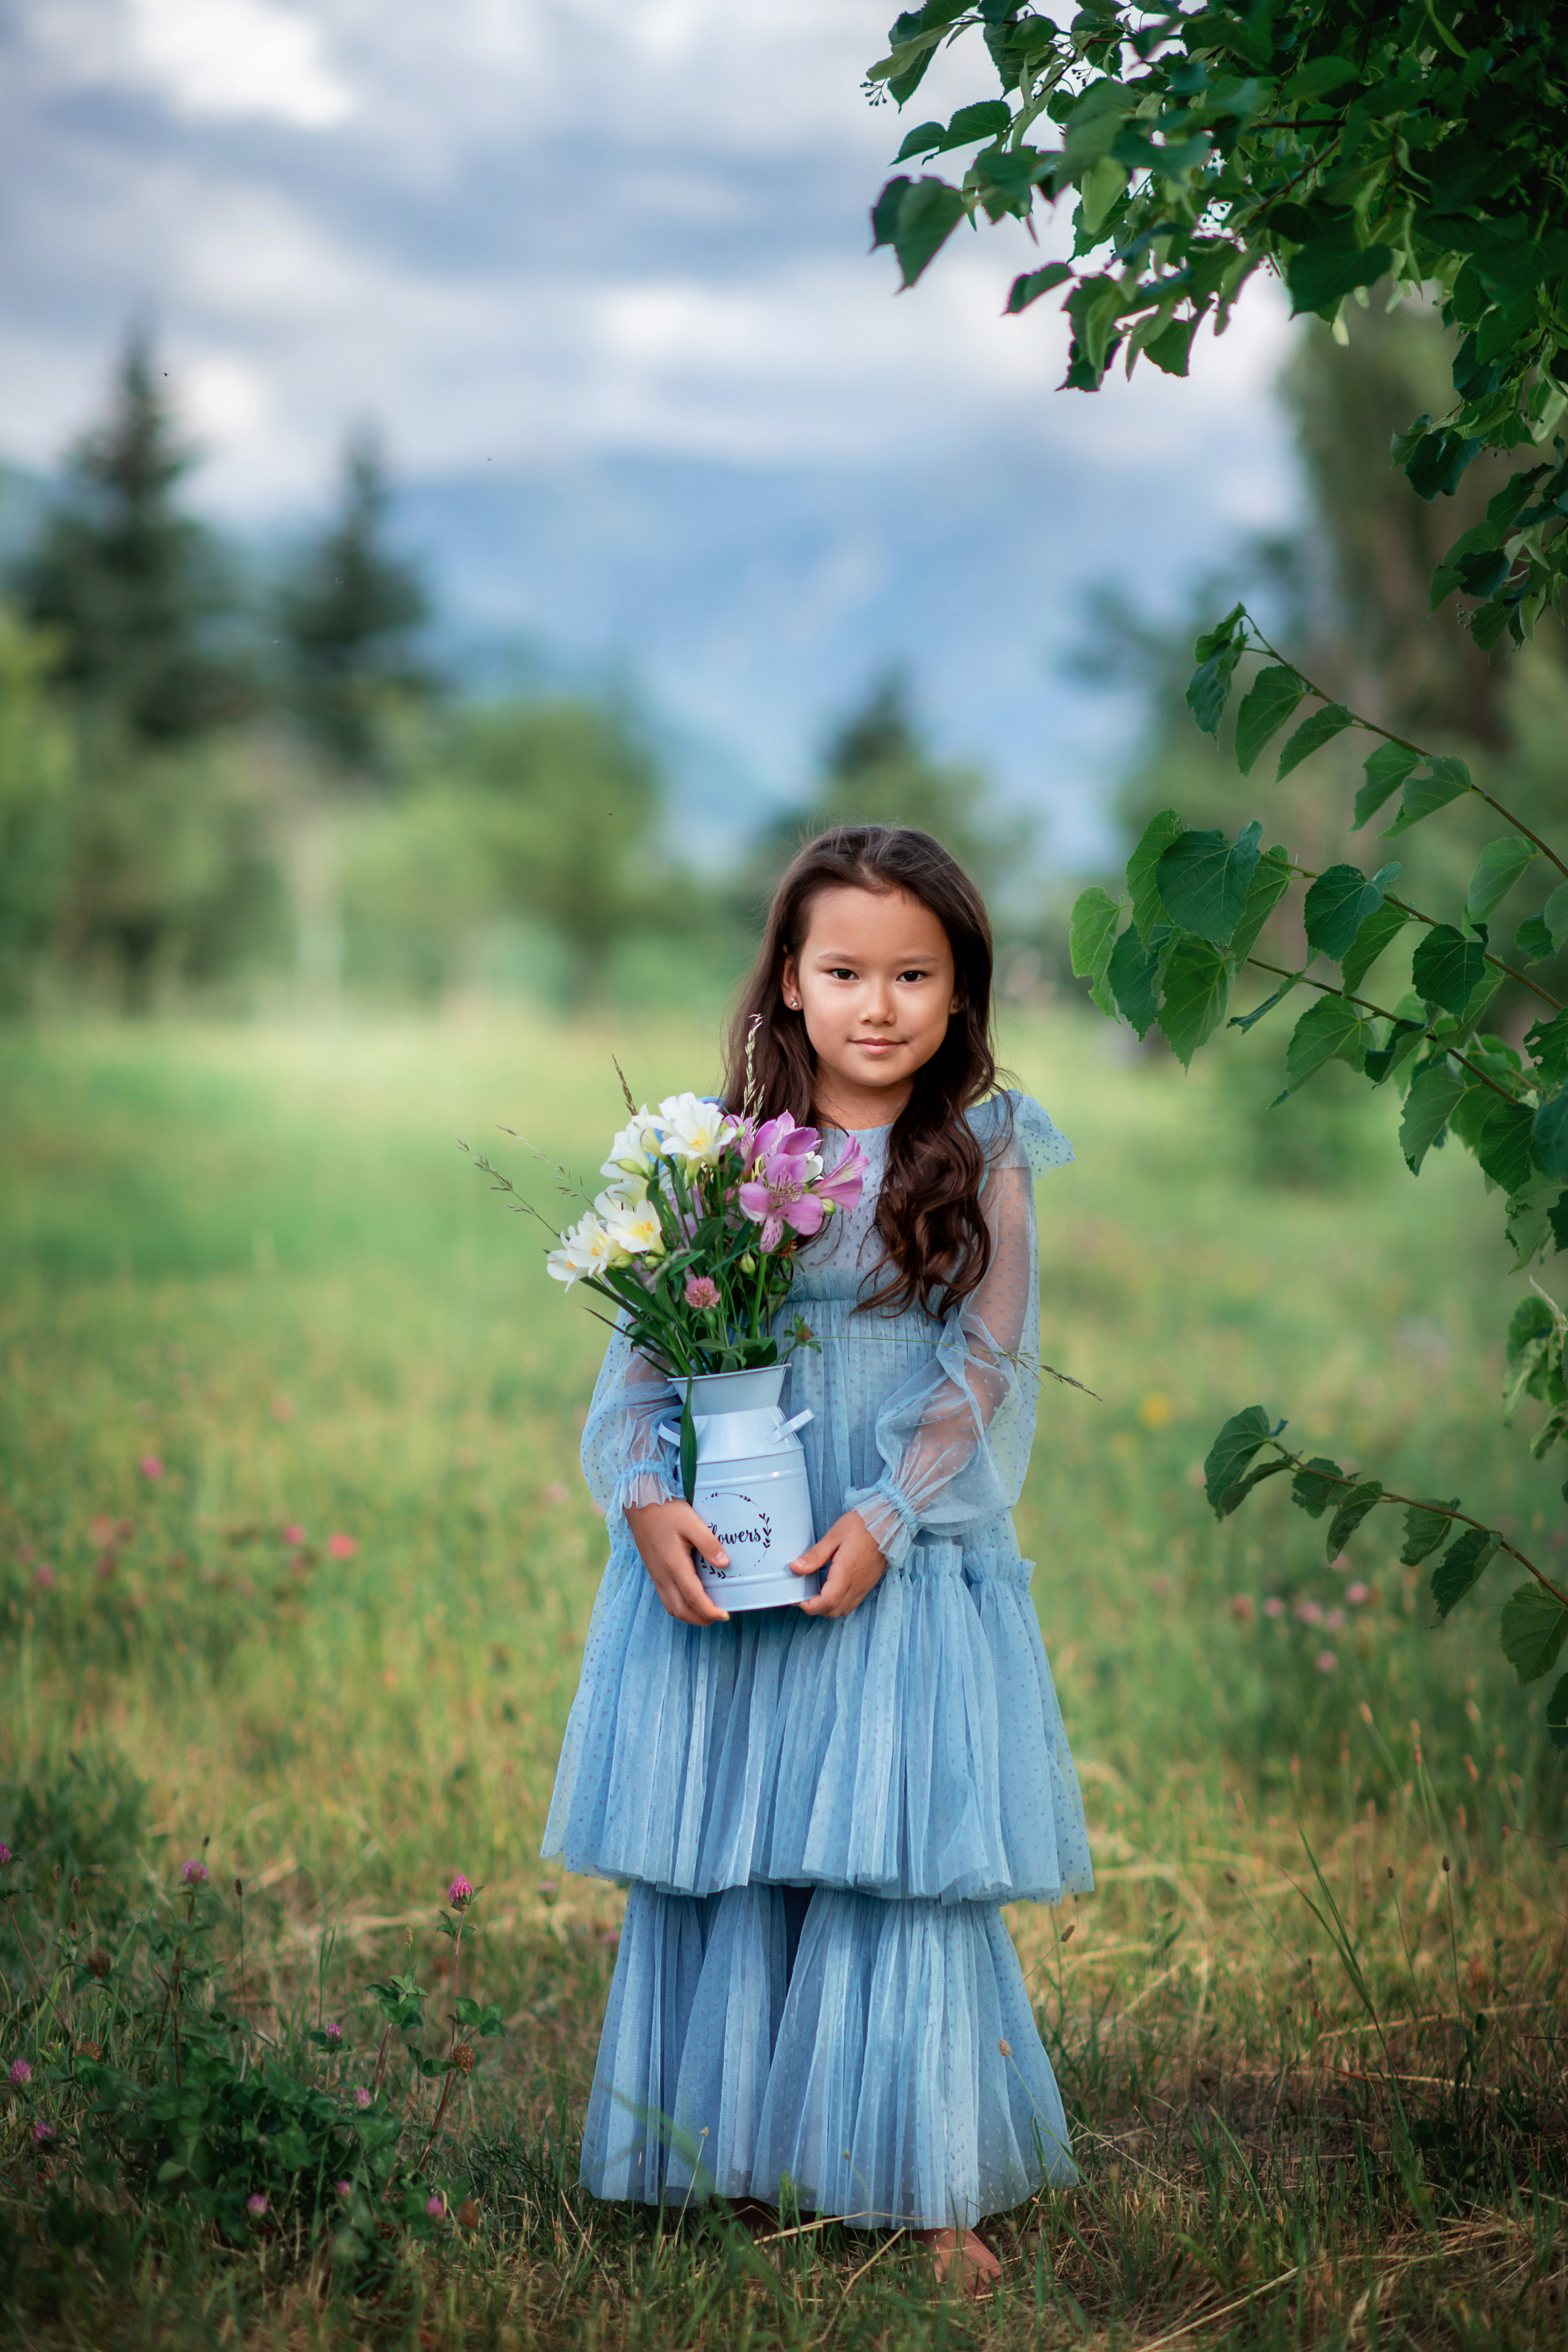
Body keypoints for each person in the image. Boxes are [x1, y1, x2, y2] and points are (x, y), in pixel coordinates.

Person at [543, 824, 1092, 2295]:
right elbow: (647, 1358)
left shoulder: (979, 1149)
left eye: (914, 974)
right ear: (786, 980)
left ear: (959, 990)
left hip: (890, 1551)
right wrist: (647, 1499)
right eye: (843, 969)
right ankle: (725, 2151)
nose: (876, 1003)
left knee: (886, 1857)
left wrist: (892, 1515)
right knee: (735, 1842)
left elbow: (985, 1362)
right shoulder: (715, 1154)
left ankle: (924, 2185)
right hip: (736, 1547)